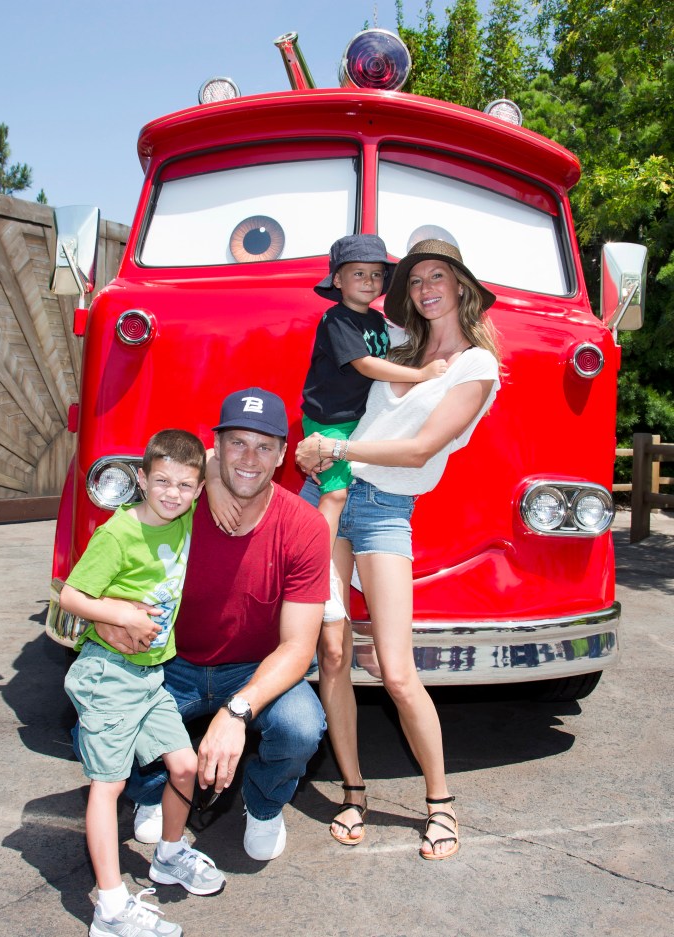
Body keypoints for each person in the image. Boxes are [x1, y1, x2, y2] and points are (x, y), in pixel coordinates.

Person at [295, 237, 501, 860]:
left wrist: (335, 449)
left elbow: (418, 450)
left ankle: (440, 804)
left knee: (397, 669)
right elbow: (337, 391)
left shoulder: (476, 367)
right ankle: (353, 791)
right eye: (414, 280)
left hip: (384, 511)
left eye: (437, 276)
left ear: (461, 285)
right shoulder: (395, 344)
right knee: (332, 652)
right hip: (329, 492)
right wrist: (316, 449)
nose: (424, 288)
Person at [93, 388, 330, 866]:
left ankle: (264, 805)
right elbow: (109, 566)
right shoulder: (177, 501)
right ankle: (151, 790)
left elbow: (298, 647)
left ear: (283, 455)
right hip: (168, 660)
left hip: (252, 669)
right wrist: (112, 614)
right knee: (102, 709)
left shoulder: (305, 526)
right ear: (216, 447)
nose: (249, 458)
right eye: (237, 442)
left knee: (301, 726)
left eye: (264, 446)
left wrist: (237, 711)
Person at [212, 235, 447, 627]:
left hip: (357, 421)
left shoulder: (376, 321)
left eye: (376, 274)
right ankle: (320, 579)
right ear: (338, 280)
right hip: (330, 421)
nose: (369, 281)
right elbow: (365, 364)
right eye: (358, 274)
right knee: (334, 494)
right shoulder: (337, 320)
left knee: (335, 492)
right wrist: (421, 375)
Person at [62, 429, 225, 937]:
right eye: (161, 482)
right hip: (109, 674)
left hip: (151, 676)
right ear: (140, 479)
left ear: (198, 490)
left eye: (184, 485)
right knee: (108, 787)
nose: (172, 494)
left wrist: (207, 461)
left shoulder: (185, 517)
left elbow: (213, 459)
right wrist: (124, 616)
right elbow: (71, 596)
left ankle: (170, 856)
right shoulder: (119, 533)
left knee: (185, 766)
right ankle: (110, 909)